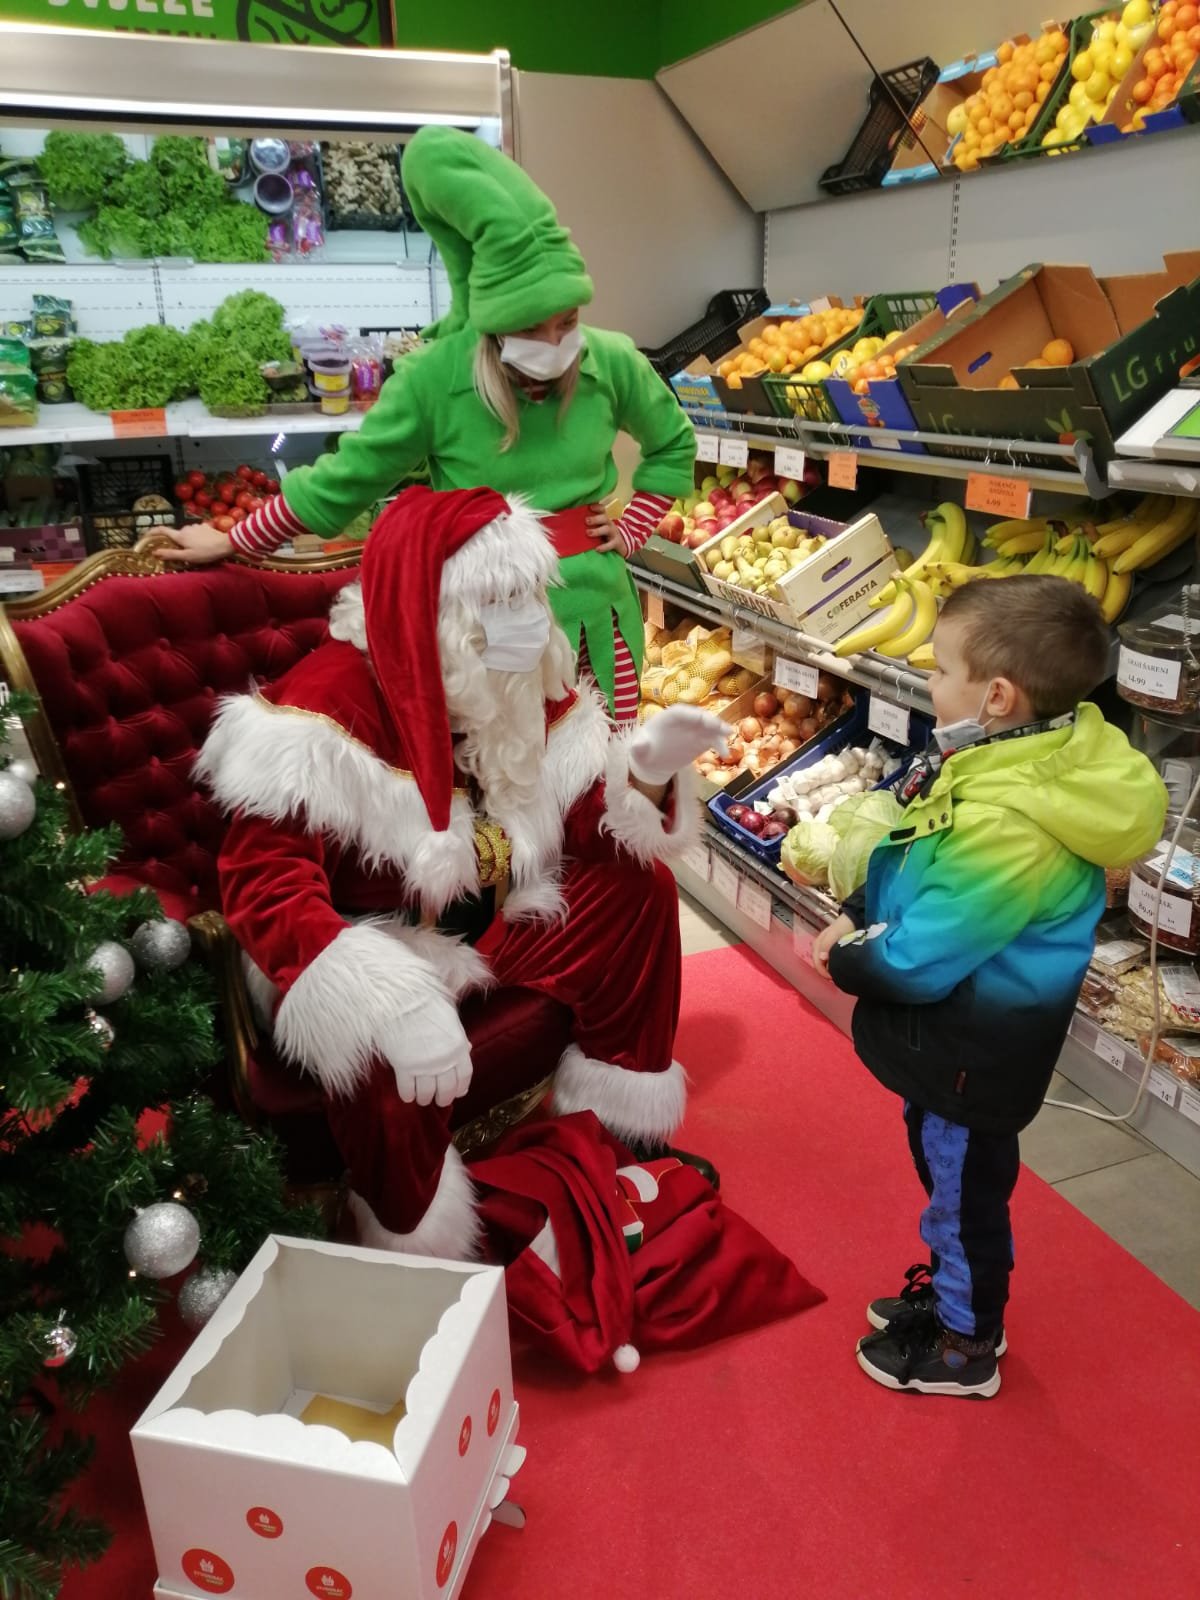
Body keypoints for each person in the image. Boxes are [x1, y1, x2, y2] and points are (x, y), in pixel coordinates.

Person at [196, 485, 726, 1259]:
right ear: (434, 615)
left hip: (492, 918)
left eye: (530, 594)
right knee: (374, 1040)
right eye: (503, 600)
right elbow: (262, 882)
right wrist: (389, 998)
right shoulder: (324, 710)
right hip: (367, 941)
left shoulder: (520, 680)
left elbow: (582, 822)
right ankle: (416, 1245)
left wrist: (643, 774)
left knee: (637, 889)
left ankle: (612, 1126)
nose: (531, 617)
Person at [163, 126, 694, 724]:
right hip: (483, 630)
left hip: (597, 620)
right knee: (504, 794)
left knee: (603, 783)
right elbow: (344, 481)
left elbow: (673, 444)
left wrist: (629, 531)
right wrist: (234, 538)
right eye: (528, 328)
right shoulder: (434, 381)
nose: (554, 344)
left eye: (566, 321)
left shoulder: (613, 360)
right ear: (492, 323)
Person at [810, 575, 1167, 1399]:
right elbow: (929, 856)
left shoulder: (1009, 823)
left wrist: (848, 950)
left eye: (939, 670)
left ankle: (968, 1345)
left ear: (997, 695)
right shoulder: (1018, 754)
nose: (930, 682)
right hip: (968, 1029)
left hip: (974, 1042)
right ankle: (954, 1295)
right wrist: (869, 898)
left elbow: (926, 956)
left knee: (962, 1196)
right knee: (947, 1175)